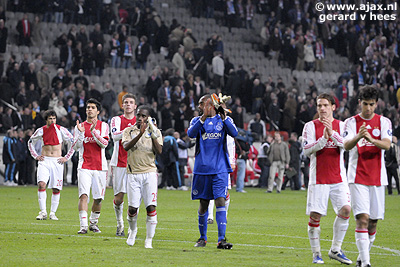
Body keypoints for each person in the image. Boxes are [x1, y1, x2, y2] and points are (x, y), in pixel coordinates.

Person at [343, 85, 392, 267]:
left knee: (373, 223)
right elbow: (346, 146)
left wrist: (370, 139)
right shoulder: (351, 122)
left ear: (376, 104)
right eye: (365, 104)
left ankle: (361, 258)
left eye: (372, 104)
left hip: (378, 178)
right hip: (357, 177)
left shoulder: (384, 122)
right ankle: (366, 263)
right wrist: (358, 137)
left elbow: (386, 145)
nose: (369, 108)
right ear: (359, 103)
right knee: (362, 219)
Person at [302, 93, 352, 264]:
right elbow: (307, 150)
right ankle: (316, 254)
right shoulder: (310, 126)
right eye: (319, 105)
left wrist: (333, 134)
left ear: (333, 107)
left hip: (338, 178)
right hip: (318, 178)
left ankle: (335, 249)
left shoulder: (342, 124)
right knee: (316, 215)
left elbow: (347, 145)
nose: (322, 108)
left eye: (325, 105)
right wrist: (324, 139)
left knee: (346, 209)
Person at [187, 94, 238, 249]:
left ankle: (221, 239)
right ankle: (202, 238)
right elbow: (190, 134)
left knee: (220, 200)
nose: (199, 106)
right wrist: (203, 117)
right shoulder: (196, 121)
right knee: (203, 204)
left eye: (202, 103)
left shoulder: (223, 120)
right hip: (202, 169)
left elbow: (234, 133)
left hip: (220, 168)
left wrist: (224, 117)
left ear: (211, 104)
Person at [122, 106, 163, 248]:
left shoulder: (156, 131)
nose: (140, 118)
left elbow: (159, 150)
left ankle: (149, 240)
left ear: (149, 117)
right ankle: (133, 231)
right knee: (133, 208)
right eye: (138, 115)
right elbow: (126, 147)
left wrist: (151, 133)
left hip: (150, 173)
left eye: (143, 116)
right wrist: (140, 134)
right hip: (133, 174)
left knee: (151, 206)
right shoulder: (129, 131)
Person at [28, 110, 75, 220]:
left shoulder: (61, 130)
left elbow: (73, 141)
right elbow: (30, 142)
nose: (52, 120)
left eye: (54, 118)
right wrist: (36, 156)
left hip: (57, 161)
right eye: (50, 118)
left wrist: (67, 157)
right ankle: (43, 212)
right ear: (46, 120)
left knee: (56, 188)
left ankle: (52, 213)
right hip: (45, 160)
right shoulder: (41, 130)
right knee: (41, 184)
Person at [72, 98, 110, 234]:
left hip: (100, 167)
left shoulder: (104, 126)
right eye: (88, 107)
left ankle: (93, 224)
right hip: (84, 166)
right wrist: (81, 133)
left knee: (98, 198)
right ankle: (83, 226)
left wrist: (94, 132)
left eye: (93, 107)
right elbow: (76, 147)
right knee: (83, 195)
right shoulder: (79, 126)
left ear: (98, 111)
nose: (89, 109)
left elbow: (104, 144)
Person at [110, 93, 137, 237]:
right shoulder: (116, 120)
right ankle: (119, 223)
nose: (128, 104)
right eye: (125, 102)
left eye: (131, 102)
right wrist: (133, 129)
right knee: (119, 198)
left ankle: (132, 228)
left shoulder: (139, 120)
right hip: (119, 163)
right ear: (122, 105)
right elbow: (114, 136)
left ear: (135, 106)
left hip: (136, 164)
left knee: (134, 199)